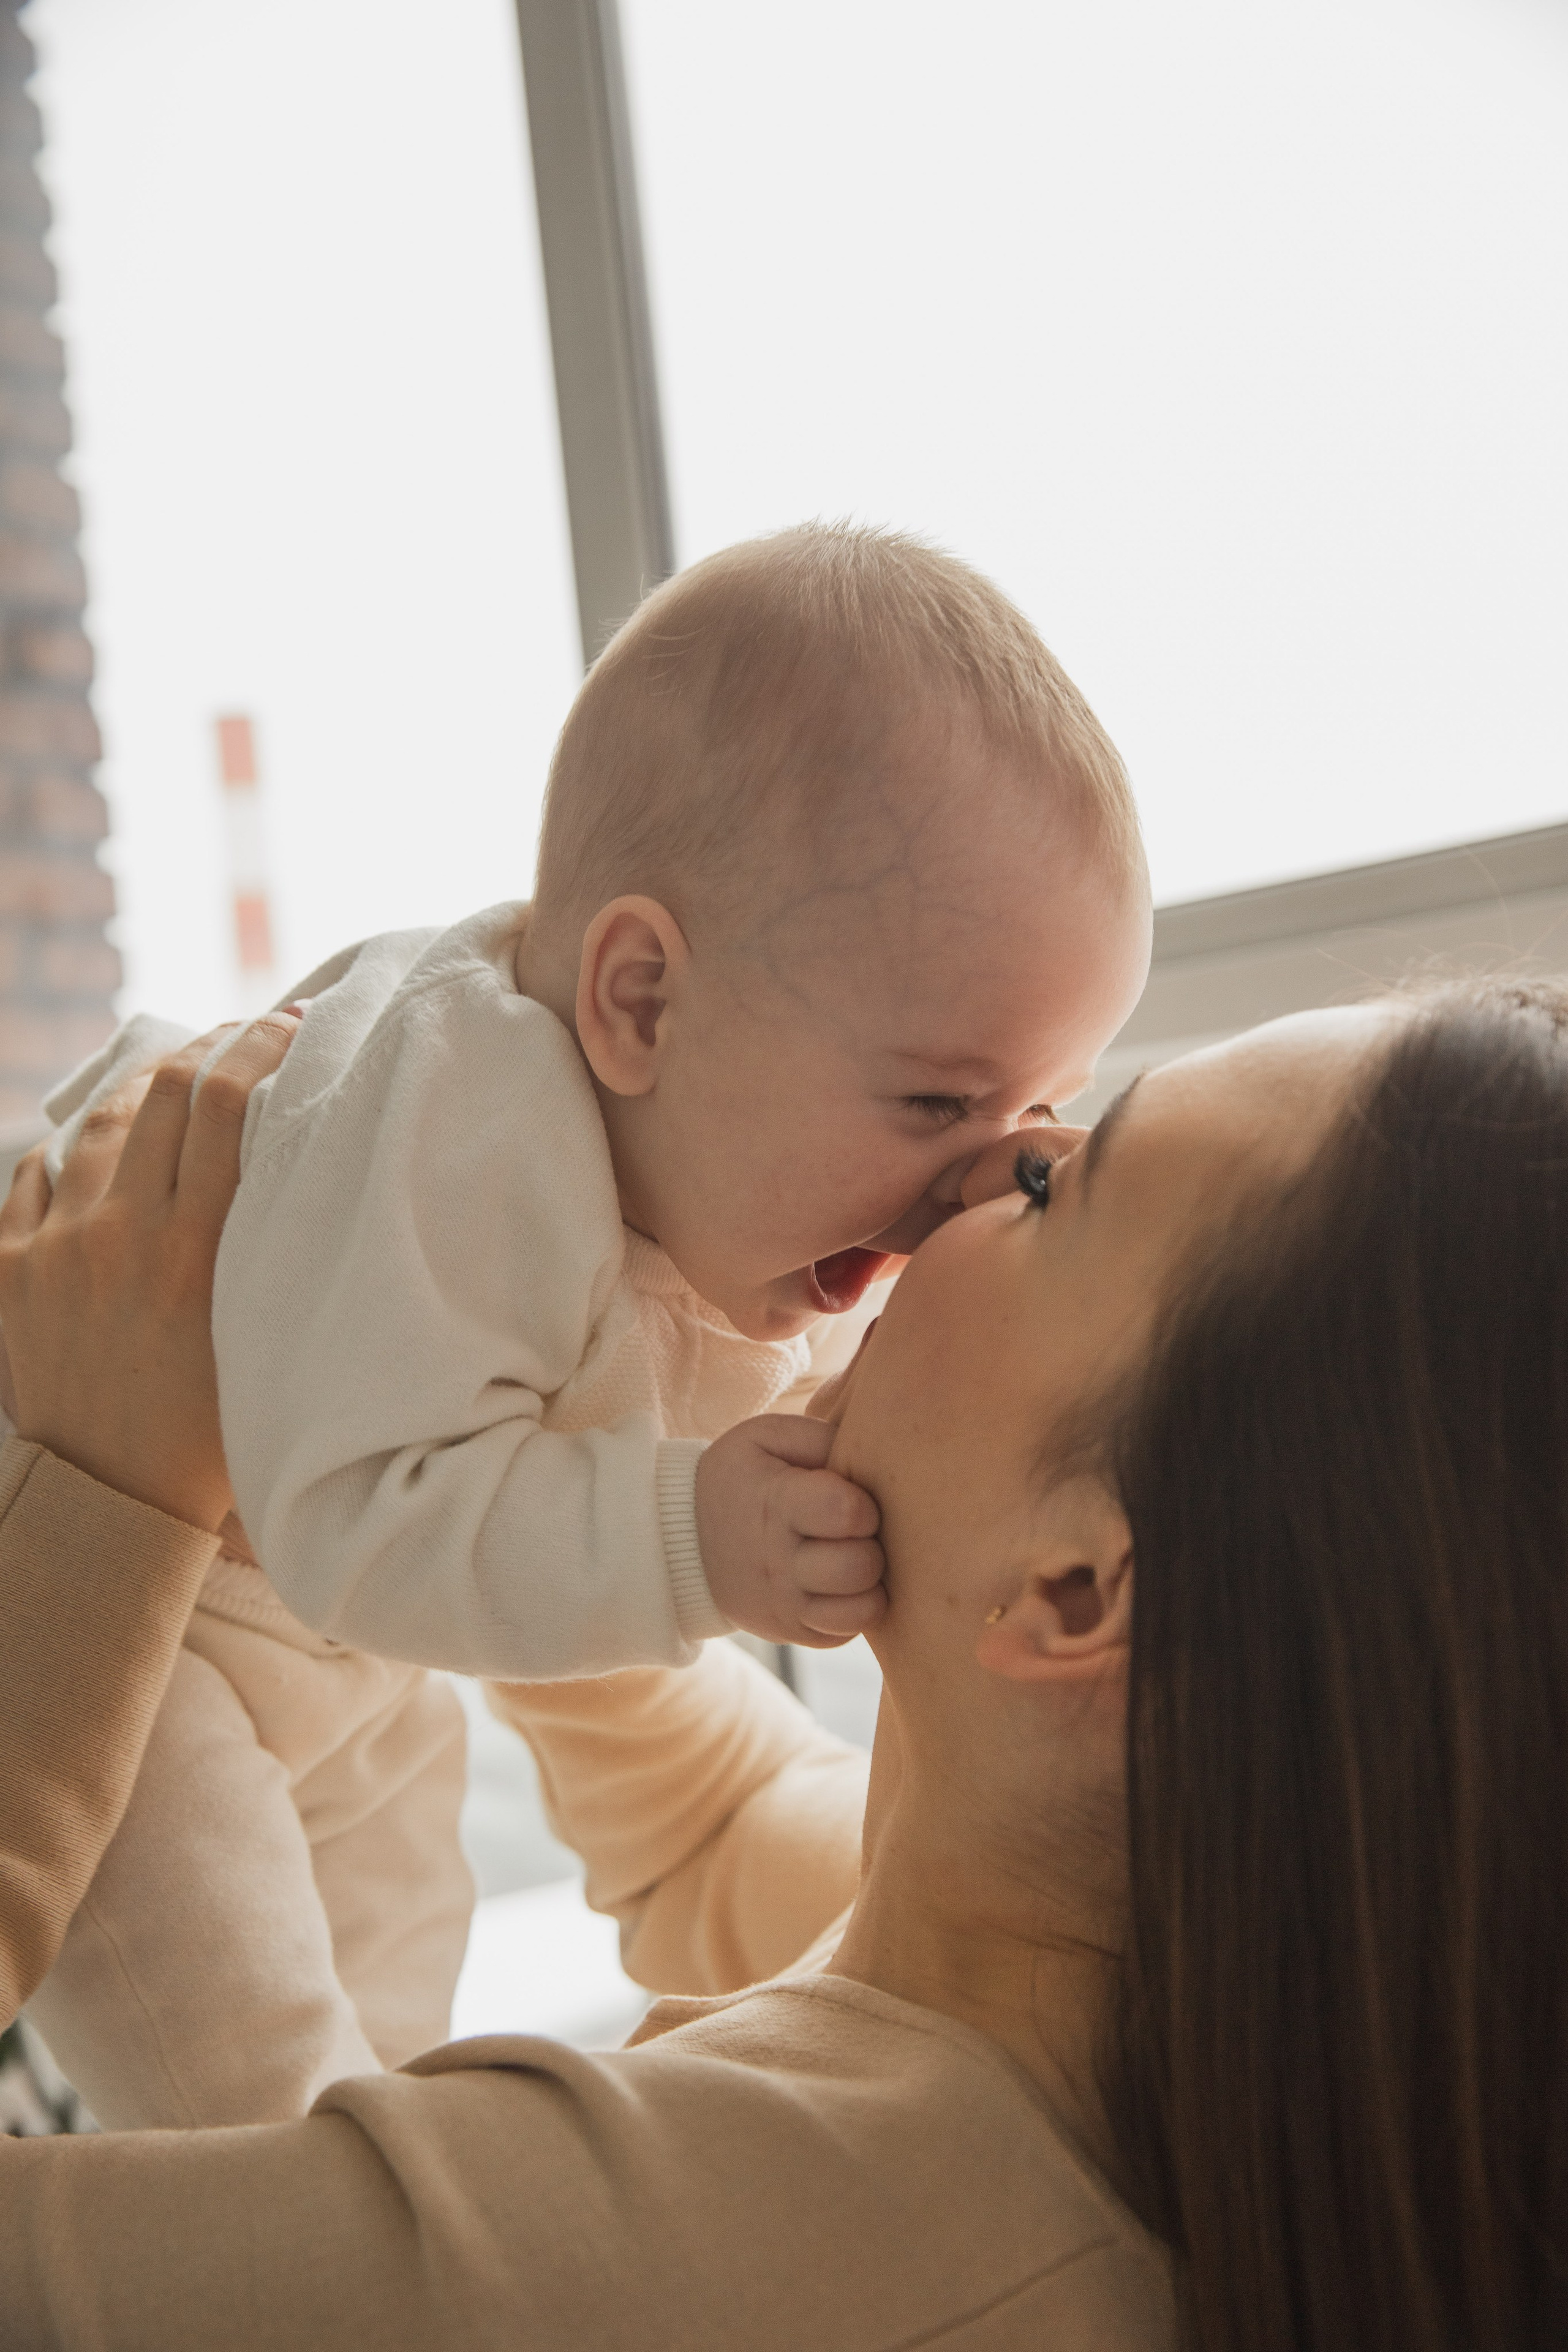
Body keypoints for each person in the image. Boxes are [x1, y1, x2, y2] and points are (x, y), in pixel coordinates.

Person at [5, 973, 1564, 2349]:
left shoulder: (672, 2263)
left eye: (1046, 1190)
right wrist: (469, 1431)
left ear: (1077, 1589)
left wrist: (97, 1486)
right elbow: (713, 1819)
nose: (962, 1175)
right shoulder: (1125, 1990)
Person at [24, 521, 1151, 2130]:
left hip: (324, 1637)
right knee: (256, 2078)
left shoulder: (705, 1191)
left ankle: (381, 2188)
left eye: (1038, 1112)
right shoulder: (466, 1115)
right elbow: (356, 1518)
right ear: (640, 1002)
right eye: (934, 1099)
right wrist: (697, 1532)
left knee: (399, 1971)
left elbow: (559, 1585)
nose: (965, 1184)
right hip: (103, 1628)